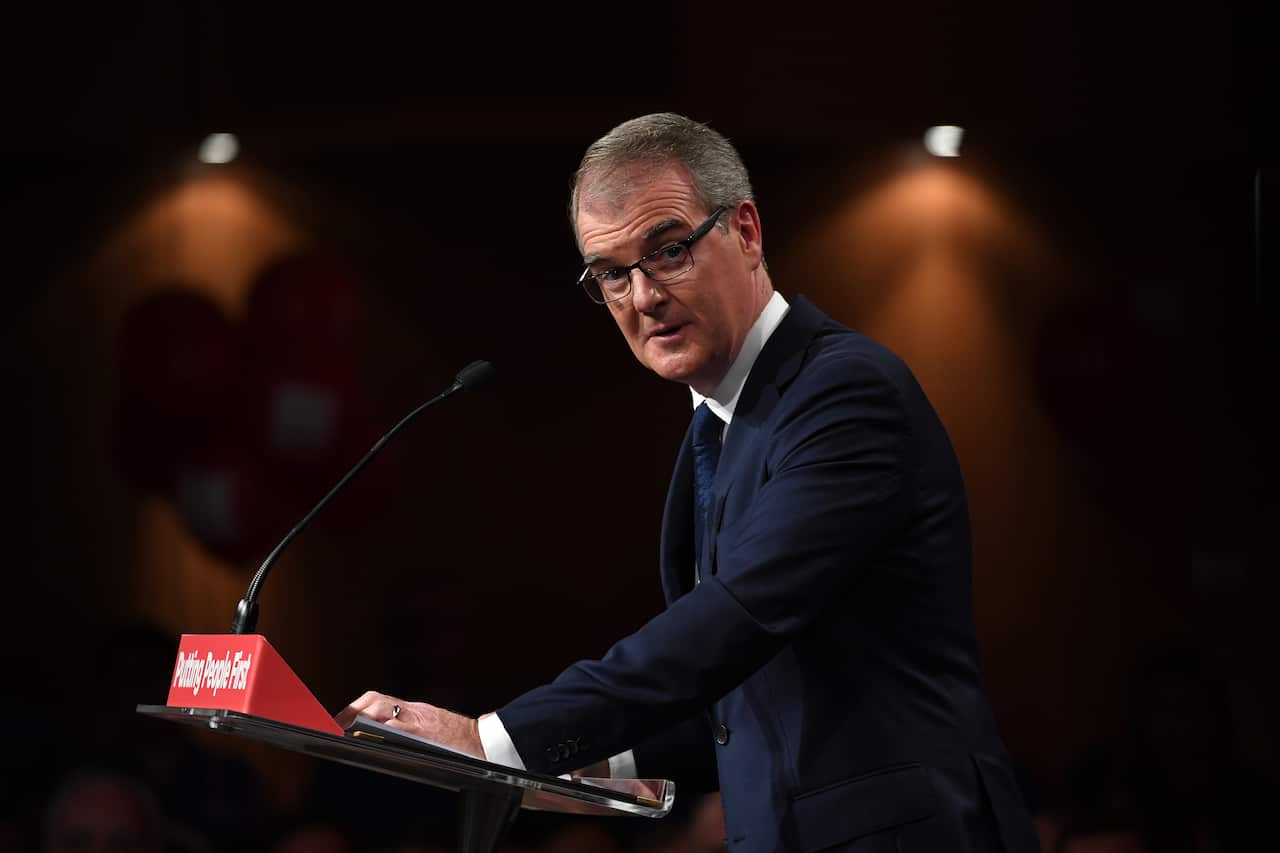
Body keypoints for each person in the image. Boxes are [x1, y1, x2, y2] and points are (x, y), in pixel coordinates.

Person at [339, 113, 1040, 852]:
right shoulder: (720, 423)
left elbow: (740, 618)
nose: (642, 297)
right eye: (611, 272)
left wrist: (495, 738)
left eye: (668, 251)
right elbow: (757, 697)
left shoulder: (845, 393)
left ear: (746, 230)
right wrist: (592, 761)